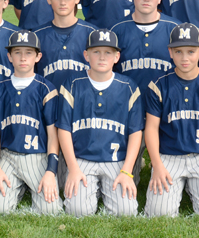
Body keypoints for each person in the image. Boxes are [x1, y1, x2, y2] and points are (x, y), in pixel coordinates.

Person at [144, 23, 199, 217]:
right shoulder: (158, 85)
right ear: (170, 52)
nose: (184, 57)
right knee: (159, 215)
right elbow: (151, 128)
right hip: (168, 157)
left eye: (191, 51)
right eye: (178, 51)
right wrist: (157, 165)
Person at [57, 29, 144, 217]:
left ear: (117, 56)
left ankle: (104, 190)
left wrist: (127, 171)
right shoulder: (72, 84)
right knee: (77, 211)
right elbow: (63, 129)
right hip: (81, 160)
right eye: (96, 52)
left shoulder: (129, 87)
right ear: (86, 55)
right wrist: (72, 168)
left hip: (116, 160)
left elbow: (135, 132)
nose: (102, 57)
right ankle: (90, 191)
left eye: (108, 52)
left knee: (126, 212)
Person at [111, 0, 181, 182]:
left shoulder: (175, 29)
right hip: (128, 111)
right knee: (127, 180)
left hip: (168, 111)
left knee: (171, 178)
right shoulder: (117, 30)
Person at [0, 30, 62, 214]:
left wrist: (50, 171)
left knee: (50, 210)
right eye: (17, 52)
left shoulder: (46, 89)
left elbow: (53, 136)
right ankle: (17, 186)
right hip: (8, 156)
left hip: (37, 157)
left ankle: (28, 184)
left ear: (38, 56)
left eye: (28, 52)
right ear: (9, 56)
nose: (23, 57)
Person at [34, 0, 97, 92]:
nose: (63, 2)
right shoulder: (37, 36)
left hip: (83, 104)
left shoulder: (93, 34)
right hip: (49, 103)